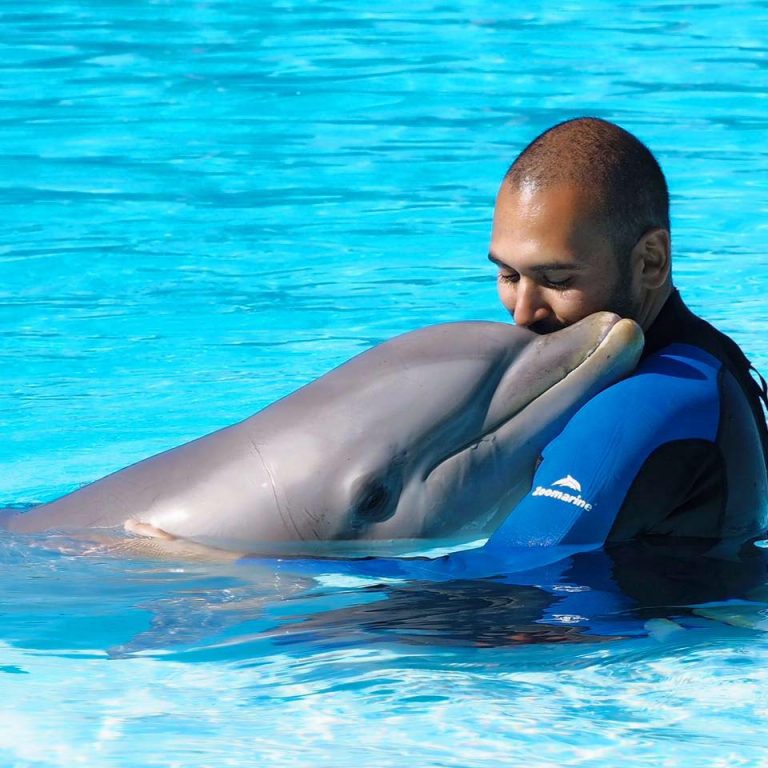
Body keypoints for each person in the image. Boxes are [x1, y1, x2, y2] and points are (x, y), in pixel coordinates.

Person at [484, 117, 768, 552]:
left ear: (650, 262)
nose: (523, 313)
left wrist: (345, 571)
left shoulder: (658, 397)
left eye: (557, 279)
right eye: (508, 274)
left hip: (618, 619)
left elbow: (515, 571)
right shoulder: (707, 360)